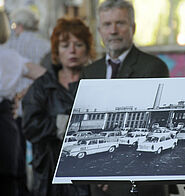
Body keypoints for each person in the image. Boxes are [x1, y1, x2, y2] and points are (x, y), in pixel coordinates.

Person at [80, 1, 178, 196]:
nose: (113, 30)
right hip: (99, 182)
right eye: (107, 25)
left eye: (120, 23)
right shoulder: (90, 72)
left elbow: (149, 121)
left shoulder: (153, 67)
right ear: (99, 30)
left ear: (133, 28)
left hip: (141, 184)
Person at [22, 17, 96, 196]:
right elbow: (30, 127)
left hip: (87, 171)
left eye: (78, 44)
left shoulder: (95, 82)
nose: (72, 50)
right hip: (49, 172)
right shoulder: (42, 85)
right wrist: (58, 124)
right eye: (65, 45)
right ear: (57, 51)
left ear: (87, 50)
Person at [0, 9, 46, 196]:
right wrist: (21, 94)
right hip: (7, 118)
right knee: (11, 176)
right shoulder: (11, 55)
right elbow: (44, 75)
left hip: (8, 115)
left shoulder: (13, 49)